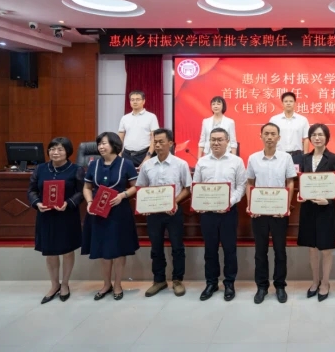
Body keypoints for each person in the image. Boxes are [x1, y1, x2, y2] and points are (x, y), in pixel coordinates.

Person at [81, 131, 140, 301]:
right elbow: (87, 187)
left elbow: (136, 186)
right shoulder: (93, 165)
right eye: (99, 144)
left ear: (114, 145)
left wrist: (123, 195)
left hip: (119, 212)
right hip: (98, 212)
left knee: (118, 249)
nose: (100, 147)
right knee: (103, 249)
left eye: (104, 143)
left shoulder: (126, 164)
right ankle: (106, 284)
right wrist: (89, 201)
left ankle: (118, 284)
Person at [136, 128, 192, 298]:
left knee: (177, 247)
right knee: (156, 247)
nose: (158, 145)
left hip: (173, 212)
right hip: (153, 213)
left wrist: (174, 201)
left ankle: (177, 280)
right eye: (155, 142)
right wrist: (145, 204)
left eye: (161, 142)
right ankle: (159, 280)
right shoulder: (147, 165)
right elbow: (141, 187)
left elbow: (187, 188)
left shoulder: (180, 164)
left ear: (170, 143)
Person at [27, 137, 84, 304]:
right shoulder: (40, 169)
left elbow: (82, 191)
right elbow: (31, 190)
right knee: (50, 251)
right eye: (52, 149)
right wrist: (37, 203)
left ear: (67, 152)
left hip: (67, 215)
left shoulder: (76, 169)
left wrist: (69, 203)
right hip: (46, 215)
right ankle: (54, 285)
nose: (55, 152)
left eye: (60, 149)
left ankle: (65, 284)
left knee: (67, 250)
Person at [194, 127, 247, 302]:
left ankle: (229, 283)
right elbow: (196, 185)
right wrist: (200, 202)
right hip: (207, 213)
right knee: (210, 250)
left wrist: (229, 202)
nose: (216, 143)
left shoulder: (237, 161)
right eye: (213, 139)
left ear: (227, 141)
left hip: (228, 212)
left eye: (220, 139)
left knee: (230, 249)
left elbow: (241, 186)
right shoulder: (202, 162)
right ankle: (211, 283)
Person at [246, 123, 297, 304]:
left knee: (280, 251)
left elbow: (290, 182)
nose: (269, 137)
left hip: (278, 213)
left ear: (278, 137)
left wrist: (286, 206)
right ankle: (261, 286)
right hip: (259, 213)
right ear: (260, 136)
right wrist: (250, 205)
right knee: (260, 251)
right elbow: (250, 183)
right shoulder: (253, 158)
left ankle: (280, 286)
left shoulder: (286, 158)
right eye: (266, 133)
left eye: (273, 134)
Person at [298, 123, 335, 302]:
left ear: (327, 138)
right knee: (312, 248)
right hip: (308, 208)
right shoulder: (304, 158)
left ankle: (325, 283)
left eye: (321, 135)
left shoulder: (333, 158)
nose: (317, 138)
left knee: (325, 248)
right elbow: (303, 181)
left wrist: (329, 200)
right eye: (314, 135)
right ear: (310, 138)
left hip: (326, 208)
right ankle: (315, 281)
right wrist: (301, 194)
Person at [118, 90, 160, 167]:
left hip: (144, 154)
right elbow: (120, 138)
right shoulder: (125, 118)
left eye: (138, 99)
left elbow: (154, 138)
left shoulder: (151, 117)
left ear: (143, 101)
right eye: (132, 100)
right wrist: (119, 153)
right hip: (127, 154)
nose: (135, 102)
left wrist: (148, 156)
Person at [269, 91, 309, 165]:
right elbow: (270, 137)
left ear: (295, 103)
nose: (288, 103)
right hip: (279, 155)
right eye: (286, 101)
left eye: (291, 101)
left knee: (296, 173)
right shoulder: (274, 120)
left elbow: (306, 138)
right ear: (282, 103)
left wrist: (305, 156)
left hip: (297, 156)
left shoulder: (302, 120)